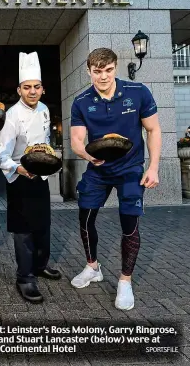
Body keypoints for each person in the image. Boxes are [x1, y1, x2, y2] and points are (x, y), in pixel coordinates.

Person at [70, 48, 161, 310]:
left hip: (130, 168)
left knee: (128, 223)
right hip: (98, 169)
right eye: (97, 71)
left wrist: (153, 167)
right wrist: (88, 155)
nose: (103, 76)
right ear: (89, 72)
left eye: (108, 70)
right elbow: (76, 140)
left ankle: (124, 281)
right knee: (85, 218)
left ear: (115, 68)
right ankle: (92, 267)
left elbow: (153, 129)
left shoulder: (138, 92)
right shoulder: (82, 101)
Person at [0, 52, 61, 304]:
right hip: (20, 178)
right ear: (19, 89)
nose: (32, 91)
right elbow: (1, 157)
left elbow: (45, 142)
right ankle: (25, 277)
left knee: (42, 226)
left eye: (36, 87)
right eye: (27, 87)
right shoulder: (11, 116)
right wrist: (21, 170)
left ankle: (40, 265)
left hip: (41, 177)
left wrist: (48, 159)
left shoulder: (44, 110)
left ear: (42, 89)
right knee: (23, 230)